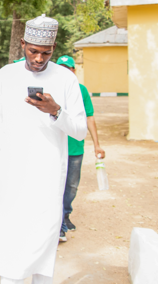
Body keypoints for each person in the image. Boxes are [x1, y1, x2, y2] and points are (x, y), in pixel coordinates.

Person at [0, 15, 87, 284]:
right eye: (33, 51)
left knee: (45, 236)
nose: (39, 59)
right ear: (23, 44)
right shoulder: (7, 75)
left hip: (50, 174)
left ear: (54, 49)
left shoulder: (66, 79)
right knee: (13, 236)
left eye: (46, 52)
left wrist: (57, 111)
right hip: (13, 171)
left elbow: (79, 130)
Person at [54, 55, 105, 242]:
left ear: (74, 71)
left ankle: (65, 214)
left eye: (69, 68)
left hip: (75, 147)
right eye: (61, 68)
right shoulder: (51, 90)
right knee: (55, 185)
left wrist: (97, 144)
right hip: (55, 148)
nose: (65, 71)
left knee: (72, 186)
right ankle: (58, 225)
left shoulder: (81, 90)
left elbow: (89, 117)